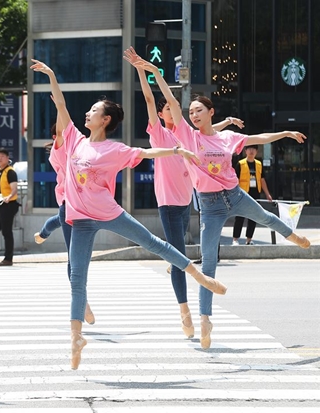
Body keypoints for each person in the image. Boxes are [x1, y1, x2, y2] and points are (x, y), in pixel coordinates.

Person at [30, 58, 227, 370]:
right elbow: (62, 106)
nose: (87, 114)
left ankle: (198, 275)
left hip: (108, 212)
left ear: (106, 120)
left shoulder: (114, 149)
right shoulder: (74, 140)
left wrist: (176, 150)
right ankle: (76, 337)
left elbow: (147, 152)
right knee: (77, 276)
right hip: (80, 220)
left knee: (154, 243)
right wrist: (53, 75)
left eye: (93, 111)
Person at [132, 47, 311, 350]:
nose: (193, 114)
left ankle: (292, 235)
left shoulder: (226, 137)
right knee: (209, 266)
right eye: (191, 113)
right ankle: (205, 320)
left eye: (199, 110)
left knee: (267, 218)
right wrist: (152, 71)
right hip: (210, 205)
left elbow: (258, 138)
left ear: (211, 112)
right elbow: (171, 102)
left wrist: (286, 133)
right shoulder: (189, 137)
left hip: (235, 195)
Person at [128, 55, 245, 339]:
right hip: (168, 201)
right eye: (168, 107)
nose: (172, 109)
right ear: (162, 114)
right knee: (179, 256)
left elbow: (210, 132)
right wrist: (144, 73)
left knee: (176, 254)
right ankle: (185, 312)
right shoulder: (158, 134)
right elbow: (147, 98)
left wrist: (227, 120)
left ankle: (174, 264)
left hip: (186, 201)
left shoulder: (185, 134)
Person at [34, 124, 95, 325]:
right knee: (74, 257)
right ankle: (83, 301)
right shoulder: (59, 152)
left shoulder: (81, 150)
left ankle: (43, 232)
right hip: (68, 205)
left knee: (57, 224)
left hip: (87, 206)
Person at [232, 145, 273, 245]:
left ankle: (249, 239)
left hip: (255, 193)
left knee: (253, 216)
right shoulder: (240, 164)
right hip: (242, 193)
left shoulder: (259, 164)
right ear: (245, 151)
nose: (251, 151)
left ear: (256, 151)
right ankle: (235, 239)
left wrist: (267, 194)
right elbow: (235, 180)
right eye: (249, 149)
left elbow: (262, 179)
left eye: (254, 149)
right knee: (240, 216)